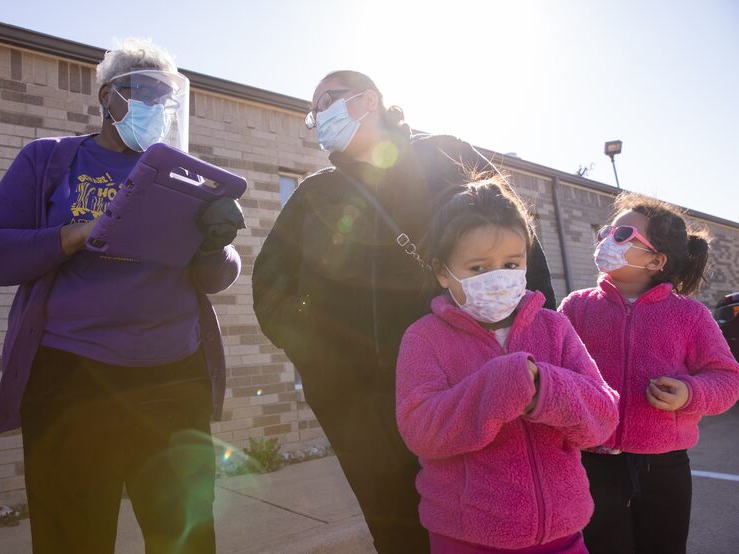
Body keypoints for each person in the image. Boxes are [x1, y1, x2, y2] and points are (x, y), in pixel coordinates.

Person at [252, 70, 556, 553]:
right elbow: (269, 286)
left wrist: (536, 340)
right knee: (392, 525)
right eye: (313, 113)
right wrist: (320, 357)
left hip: (454, 381)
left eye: (325, 102)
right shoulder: (314, 195)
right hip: (356, 402)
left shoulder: (442, 155)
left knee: (484, 516)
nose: (317, 118)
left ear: (367, 100)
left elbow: (515, 237)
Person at [0, 38, 244, 554]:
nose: (154, 106)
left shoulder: (182, 174)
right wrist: (74, 233)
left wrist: (216, 245)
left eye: (165, 98)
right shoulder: (49, 160)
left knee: (184, 536)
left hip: (172, 375)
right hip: (72, 376)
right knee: (74, 535)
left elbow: (215, 276)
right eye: (140, 92)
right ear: (106, 98)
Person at [396, 178, 619, 553]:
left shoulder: (554, 327)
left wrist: (544, 389)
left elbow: (603, 417)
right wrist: (497, 387)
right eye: (478, 267)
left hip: (563, 535)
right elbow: (420, 429)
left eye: (511, 263)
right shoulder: (424, 338)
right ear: (441, 271)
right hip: (467, 537)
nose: (497, 277)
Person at [559, 192, 739, 554]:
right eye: (607, 230)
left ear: (657, 260)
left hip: (665, 468)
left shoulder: (689, 315)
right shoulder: (576, 307)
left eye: (622, 234)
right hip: (591, 464)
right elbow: (554, 368)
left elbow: (727, 378)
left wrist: (690, 394)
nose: (607, 238)